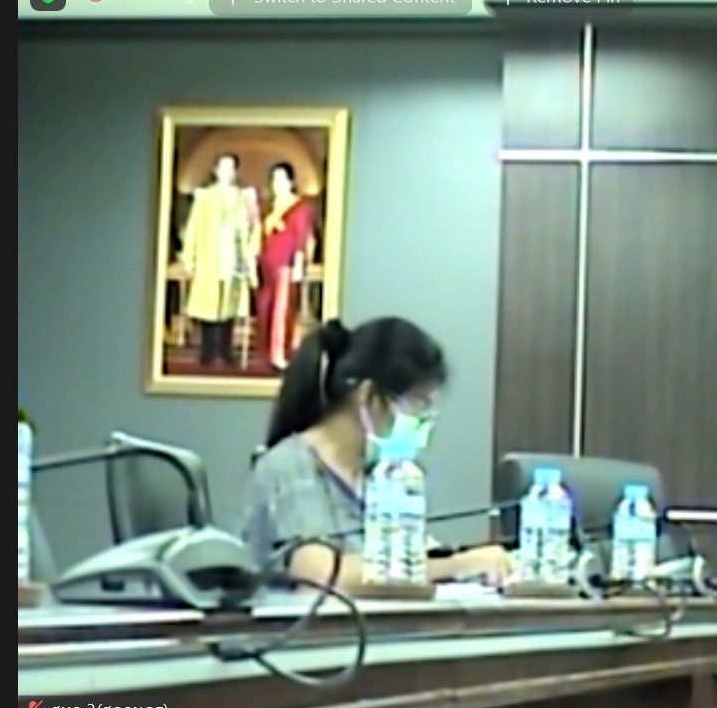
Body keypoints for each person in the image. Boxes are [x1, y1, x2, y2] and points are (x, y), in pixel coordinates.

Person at [242, 316, 513, 587]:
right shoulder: (291, 465)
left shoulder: (375, 473)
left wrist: (471, 561)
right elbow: (321, 575)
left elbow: (412, 556)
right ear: (367, 395)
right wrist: (457, 565)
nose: (423, 418)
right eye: (418, 402)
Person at [178, 153, 259, 368]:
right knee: (209, 306)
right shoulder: (205, 197)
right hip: (210, 256)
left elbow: (252, 228)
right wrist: (189, 257)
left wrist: (249, 253)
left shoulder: (242, 197)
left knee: (228, 307)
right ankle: (208, 351)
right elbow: (194, 227)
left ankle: (225, 350)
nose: (227, 172)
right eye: (223, 167)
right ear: (216, 171)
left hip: (233, 257)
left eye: (231, 168)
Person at [256, 162, 317, 370]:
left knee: (281, 311)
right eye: (275, 179)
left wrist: (299, 262)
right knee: (266, 308)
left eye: (282, 179)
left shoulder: (299, 207)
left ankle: (280, 354)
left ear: (291, 182)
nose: (277, 184)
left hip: (285, 265)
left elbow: (302, 237)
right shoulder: (270, 207)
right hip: (267, 266)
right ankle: (267, 353)